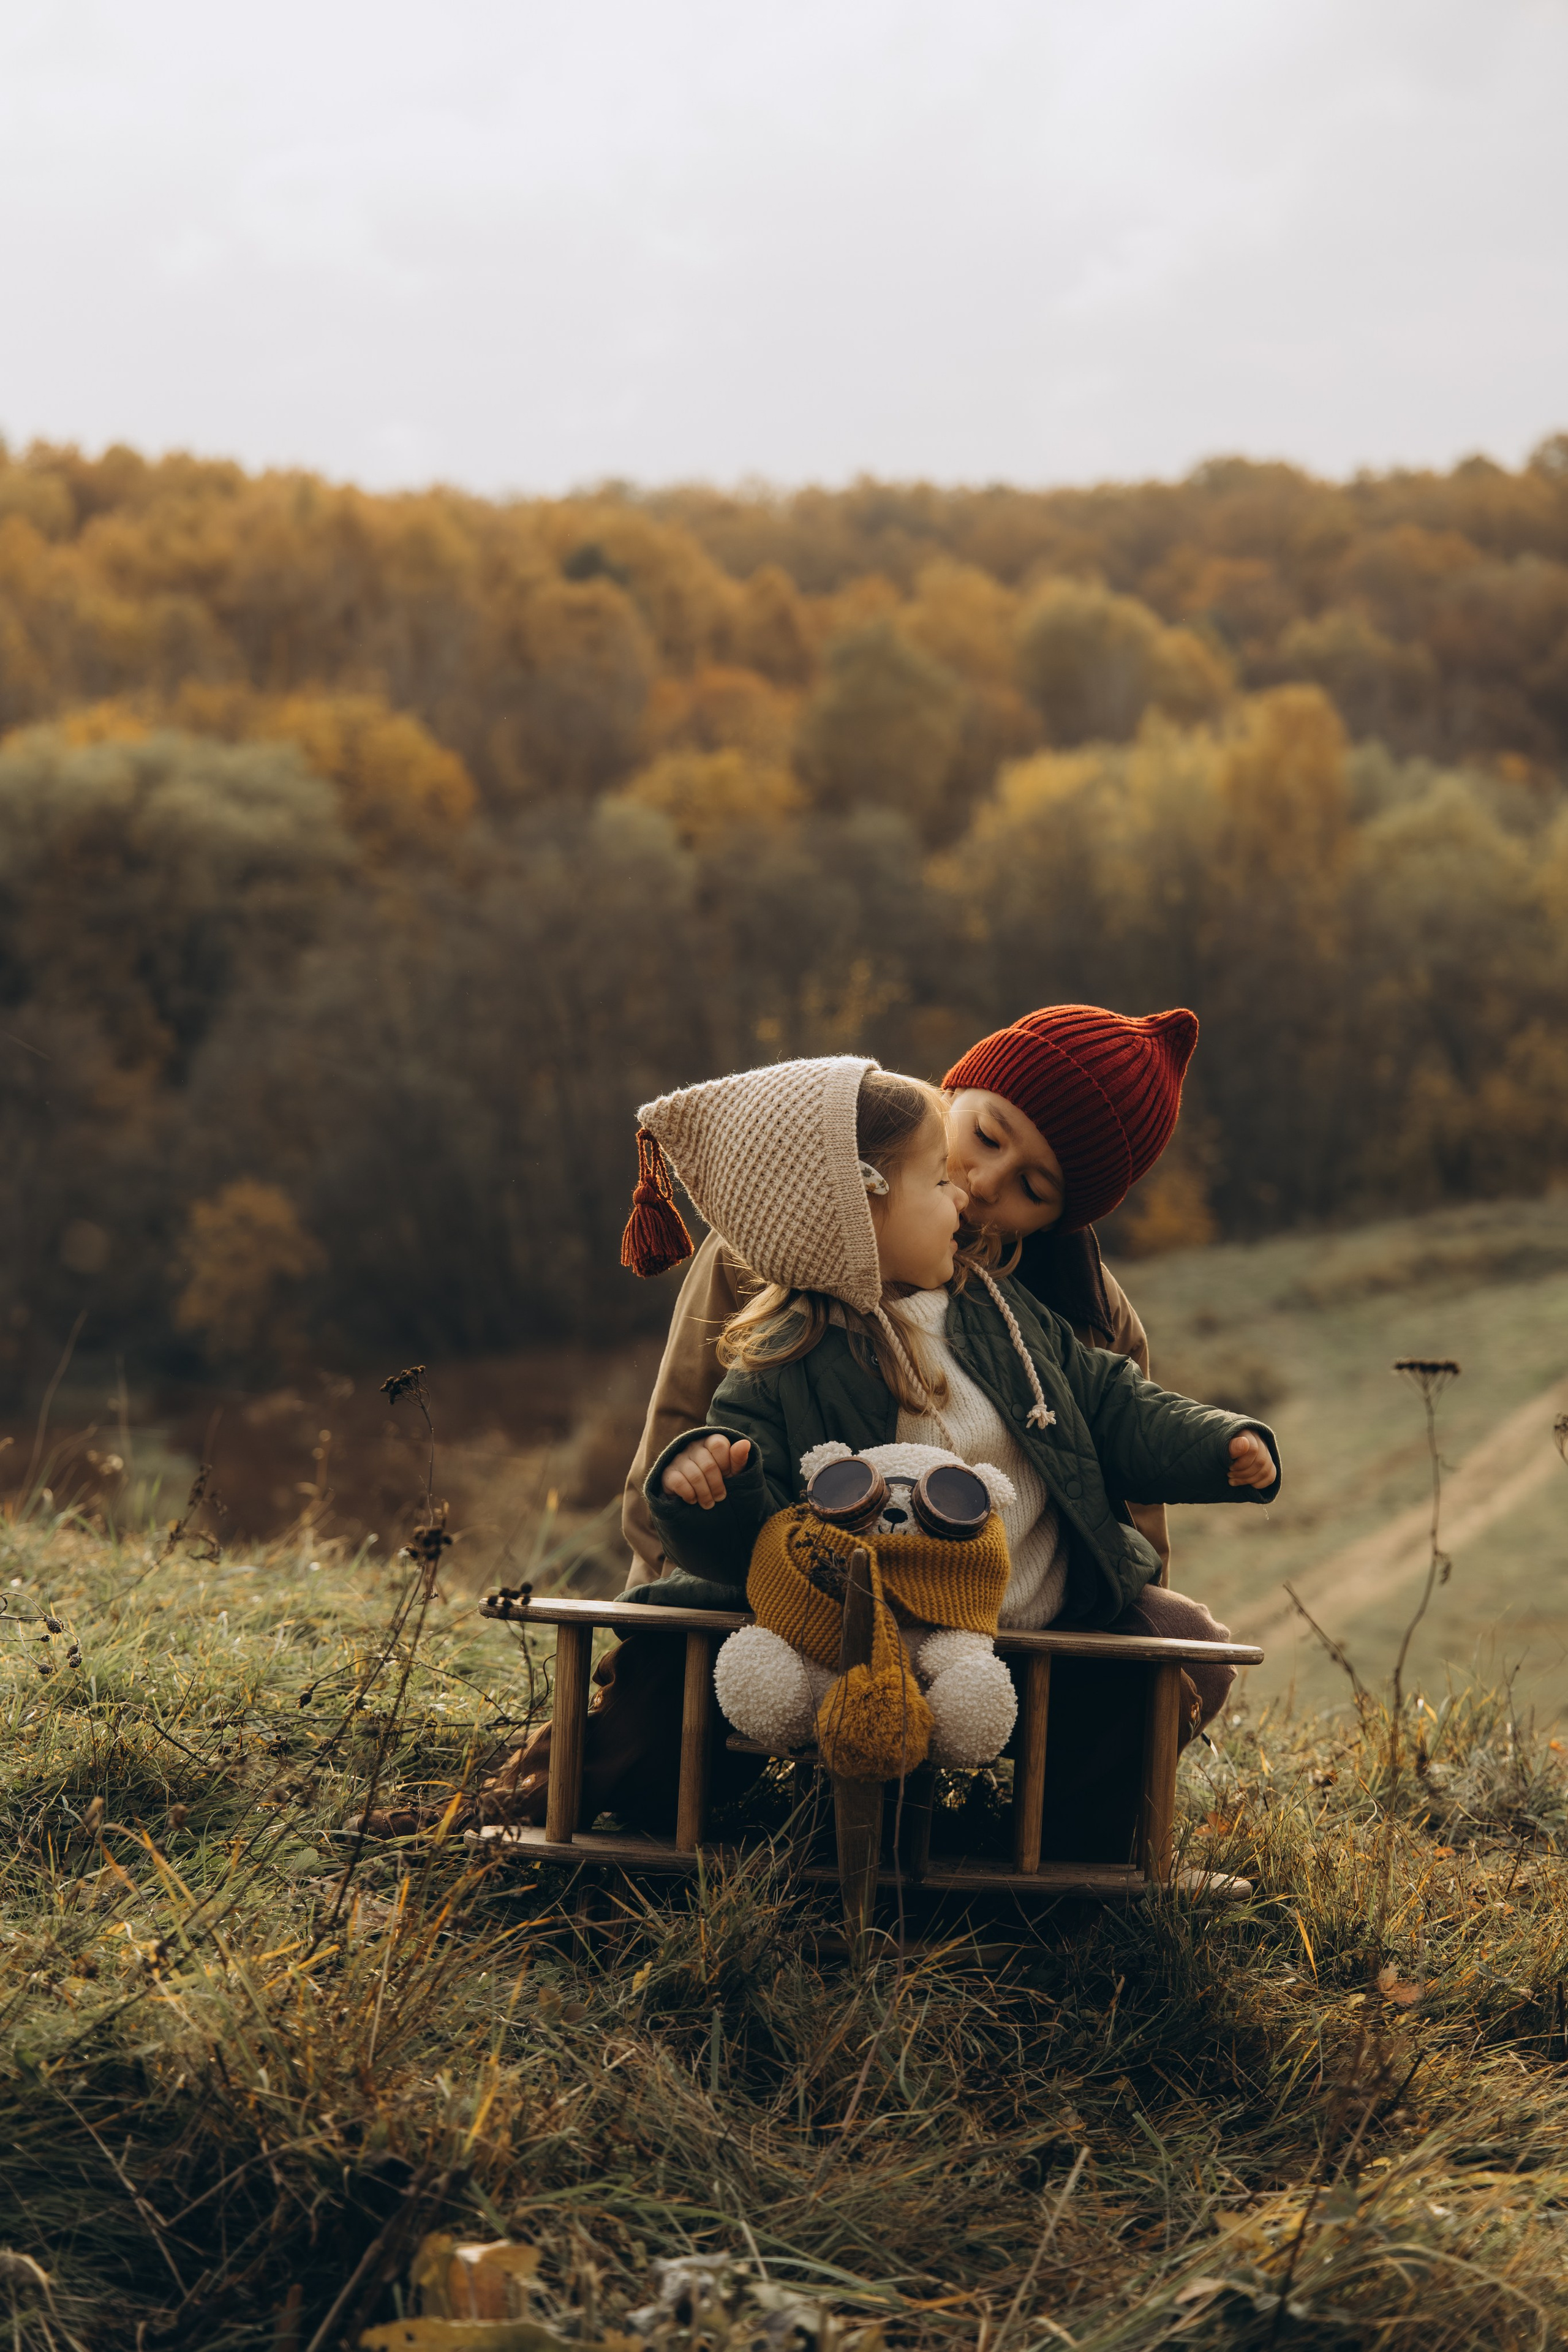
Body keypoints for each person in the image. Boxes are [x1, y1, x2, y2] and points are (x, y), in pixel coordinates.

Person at [496, 1036, 1278, 1844]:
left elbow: (1127, 1498)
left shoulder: (1069, 1315)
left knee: (1178, 1656)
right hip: (800, 1589)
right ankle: (567, 1792)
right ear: (951, 1094)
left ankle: (1041, 1852)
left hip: (999, 1609)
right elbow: (687, 1434)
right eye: (984, 1138)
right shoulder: (775, 1251)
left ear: (1058, 1217)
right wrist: (676, 1586)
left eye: (1032, 1190)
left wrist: (1062, 1603)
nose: (982, 1185)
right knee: (673, 1697)